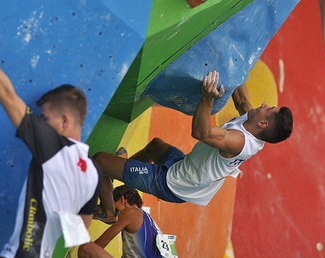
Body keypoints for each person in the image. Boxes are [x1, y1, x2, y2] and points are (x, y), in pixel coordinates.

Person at [0, 14, 102, 258]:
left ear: (65, 121)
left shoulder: (54, 147)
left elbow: (4, 93)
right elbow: (83, 226)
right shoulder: (94, 173)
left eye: (45, 118)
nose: (41, 124)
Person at [93, 70, 293, 223]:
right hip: (185, 168)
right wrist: (235, 59)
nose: (265, 104)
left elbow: (201, 132)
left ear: (263, 124)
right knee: (155, 146)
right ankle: (121, 173)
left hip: (172, 183)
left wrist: (207, 97)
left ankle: (109, 212)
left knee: (100, 160)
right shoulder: (253, 123)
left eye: (268, 109)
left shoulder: (238, 141)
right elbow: (241, 99)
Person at [77, 184, 163, 258]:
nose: (115, 214)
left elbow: (101, 243)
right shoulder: (148, 221)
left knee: (86, 248)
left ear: (122, 200)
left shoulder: (130, 212)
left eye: (115, 209)